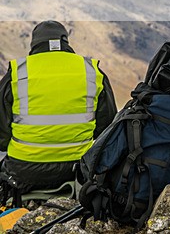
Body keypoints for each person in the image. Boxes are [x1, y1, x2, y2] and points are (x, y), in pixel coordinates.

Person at [0, 21, 117, 198]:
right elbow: (107, 128)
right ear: (65, 41)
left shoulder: (18, 72)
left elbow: (1, 136)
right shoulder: (91, 71)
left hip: (24, 170)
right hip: (79, 168)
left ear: (34, 44)